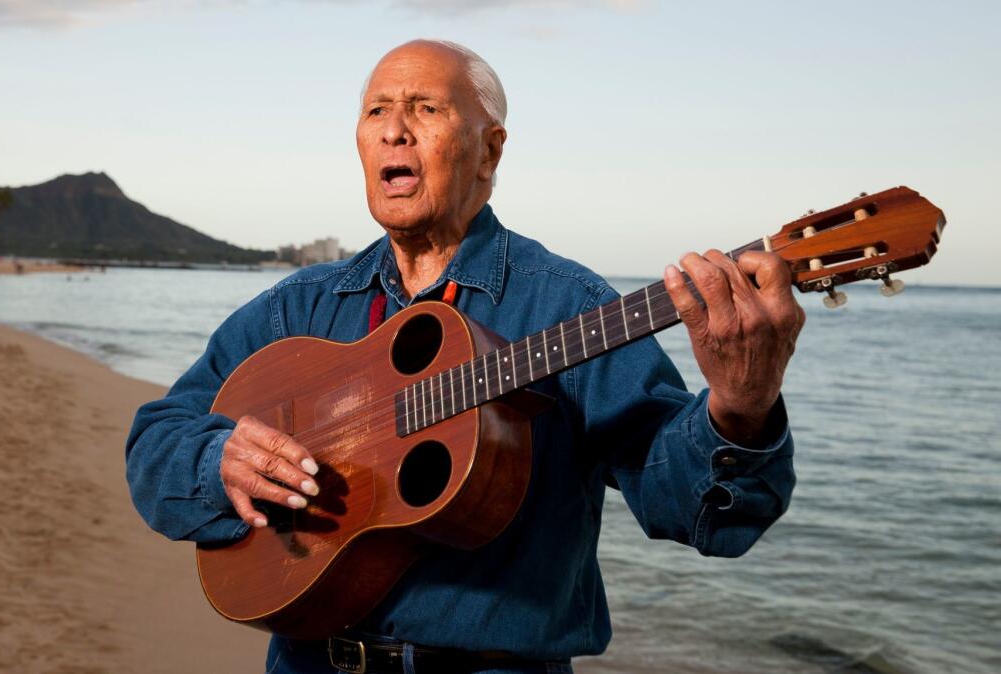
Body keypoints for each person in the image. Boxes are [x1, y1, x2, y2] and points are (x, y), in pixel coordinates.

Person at [126, 40, 805, 673]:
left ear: (489, 151)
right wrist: (219, 462)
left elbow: (692, 510)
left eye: (426, 109)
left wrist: (740, 407)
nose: (395, 130)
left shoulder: (567, 308)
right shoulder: (296, 309)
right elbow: (156, 441)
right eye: (377, 112)